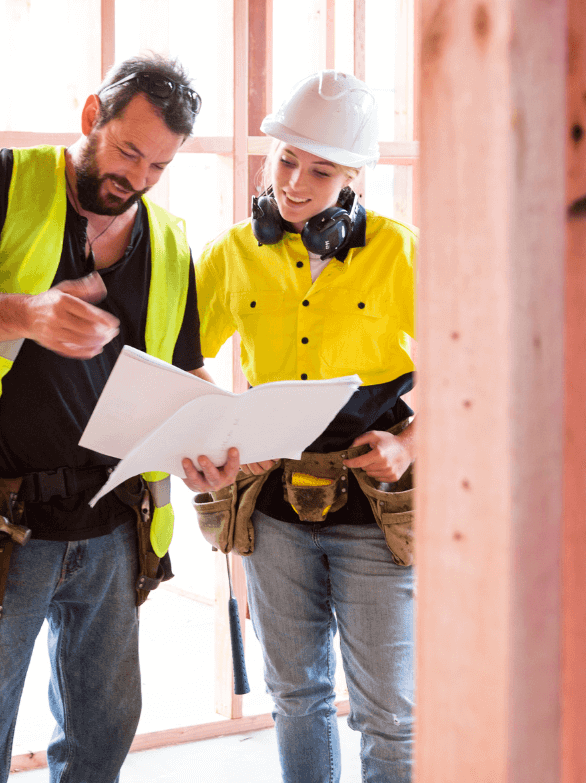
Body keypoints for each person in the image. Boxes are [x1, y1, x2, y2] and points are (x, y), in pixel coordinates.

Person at [0, 54, 241, 783]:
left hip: (111, 520)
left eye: (158, 165)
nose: (135, 178)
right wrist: (26, 313)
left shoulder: (165, 240)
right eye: (128, 151)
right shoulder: (0, 182)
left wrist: (207, 439)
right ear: (90, 117)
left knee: (104, 730)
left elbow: (185, 366)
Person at [183, 71, 417, 783]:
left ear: (354, 180)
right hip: (275, 509)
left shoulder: (400, 252)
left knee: (391, 712)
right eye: (285, 160)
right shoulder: (231, 254)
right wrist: (225, 430)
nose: (295, 182)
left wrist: (410, 445)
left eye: (321, 170)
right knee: (297, 697)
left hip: (374, 508)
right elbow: (178, 355)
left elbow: (475, 368)